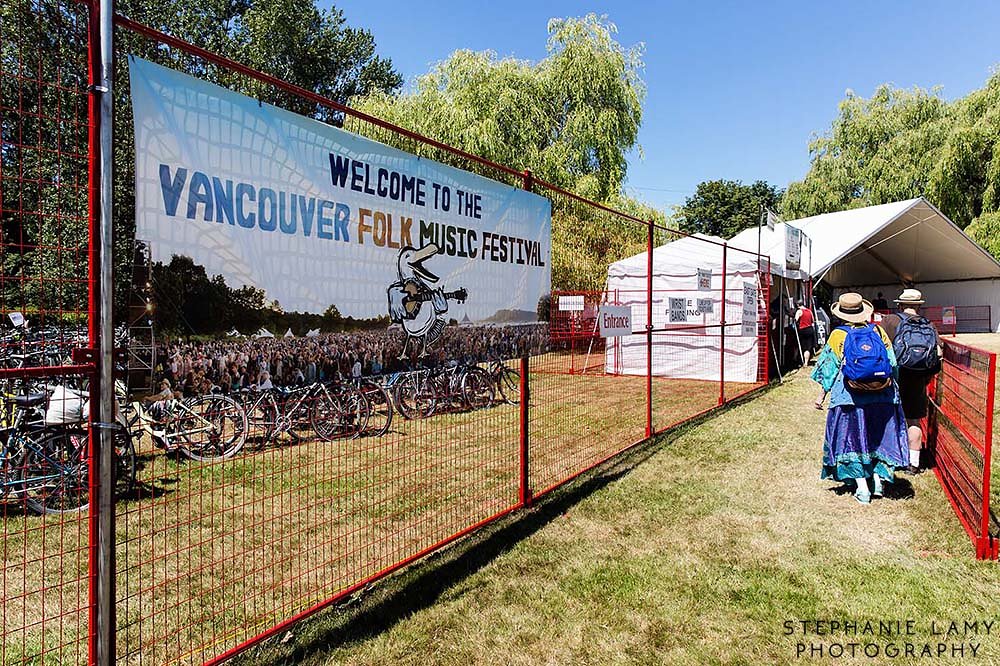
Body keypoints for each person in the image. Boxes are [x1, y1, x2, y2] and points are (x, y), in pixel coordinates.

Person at [814, 293, 909, 504]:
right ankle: (877, 482)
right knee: (876, 439)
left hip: (849, 397)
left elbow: (828, 369)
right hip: (883, 396)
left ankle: (862, 488)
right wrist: (894, 389)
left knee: (851, 441)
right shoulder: (878, 331)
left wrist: (821, 396)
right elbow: (892, 363)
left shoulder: (838, 334)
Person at [878, 289, 942, 475]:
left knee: (888, 418)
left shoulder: (889, 321)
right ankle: (913, 464)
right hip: (918, 379)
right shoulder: (928, 324)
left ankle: (890, 458)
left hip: (892, 377)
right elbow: (938, 353)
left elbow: (879, 348)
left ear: (900, 304)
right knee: (913, 420)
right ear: (919, 306)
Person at [794, 299, 816, 366]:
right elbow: (813, 320)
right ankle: (806, 363)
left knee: (800, 345)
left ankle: (796, 359)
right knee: (808, 347)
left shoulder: (799, 311)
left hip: (803, 330)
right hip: (810, 329)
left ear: (798, 305)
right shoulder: (809, 311)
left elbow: (796, 320)